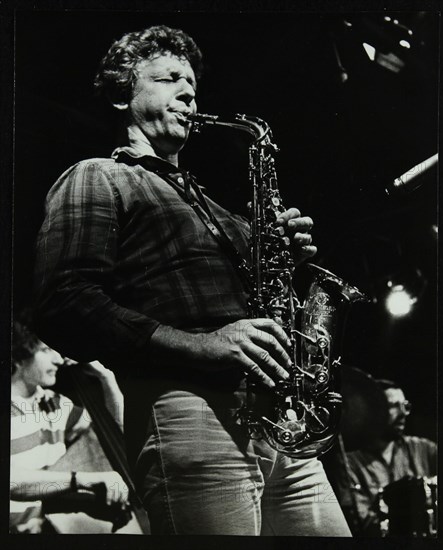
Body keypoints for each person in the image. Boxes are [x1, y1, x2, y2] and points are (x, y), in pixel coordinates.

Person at [33, 25, 351, 535]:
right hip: (193, 414)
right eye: (168, 78)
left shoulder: (218, 209)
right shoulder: (98, 175)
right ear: (122, 95)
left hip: (278, 423)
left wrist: (279, 259)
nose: (188, 91)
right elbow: (63, 303)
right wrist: (203, 346)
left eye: (193, 84)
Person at [10, 313, 129, 534]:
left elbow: (120, 430)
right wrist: (81, 481)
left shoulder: (55, 405)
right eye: (46, 350)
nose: (58, 359)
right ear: (18, 355)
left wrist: (106, 378)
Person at [337, 379, 437, 536]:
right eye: (393, 406)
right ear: (371, 411)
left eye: (405, 406)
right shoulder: (350, 463)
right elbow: (363, 525)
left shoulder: (424, 449)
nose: (403, 413)